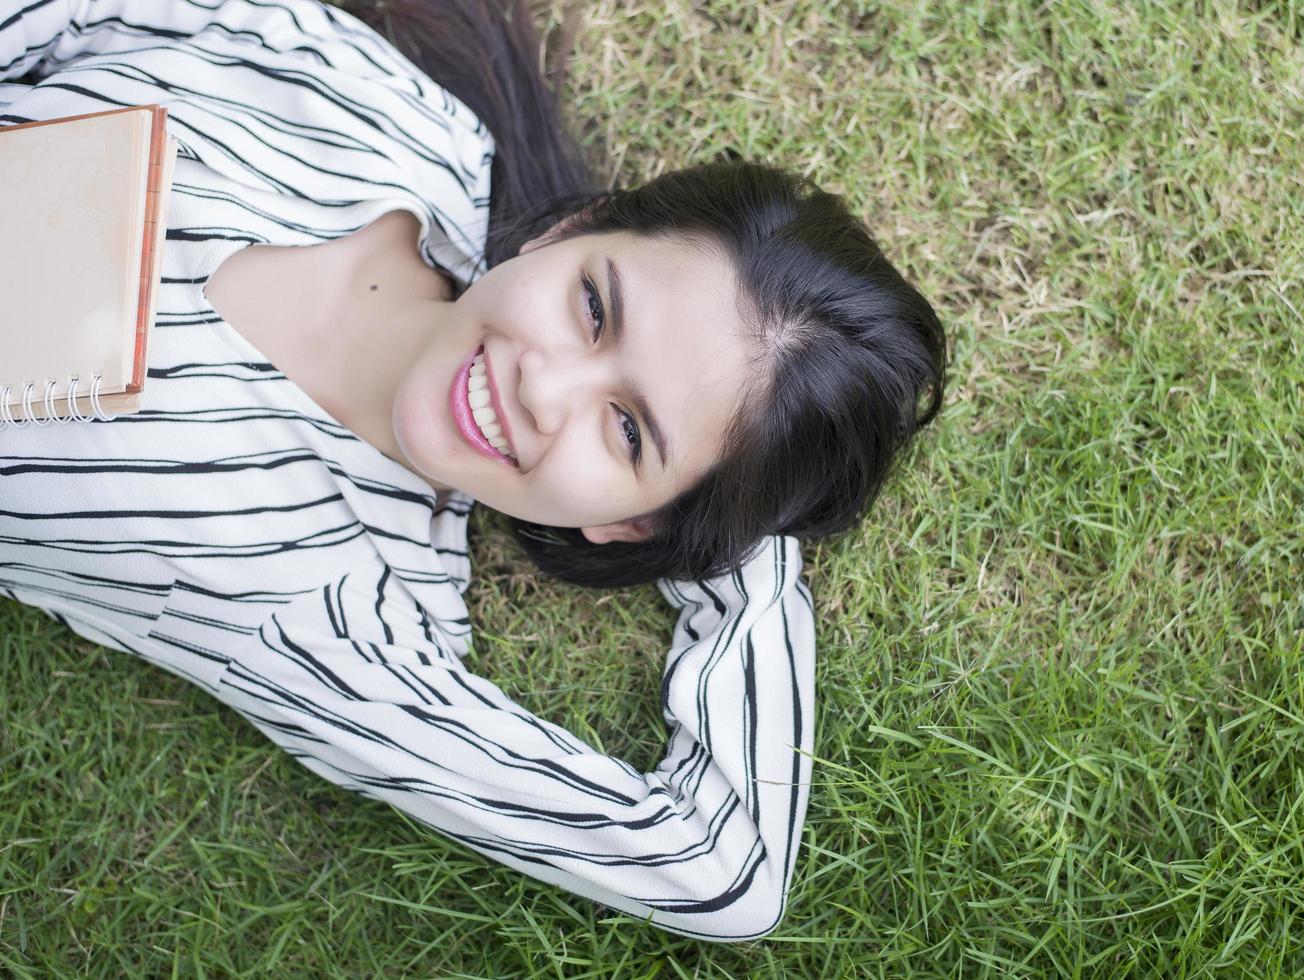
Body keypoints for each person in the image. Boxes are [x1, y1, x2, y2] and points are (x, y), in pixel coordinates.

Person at [0, 0, 945, 941]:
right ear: (565, 229)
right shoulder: (395, 119)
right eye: (592, 307)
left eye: (627, 433)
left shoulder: (338, 615)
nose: (545, 385)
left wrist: (739, 555)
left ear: (630, 524)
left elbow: (719, 868)